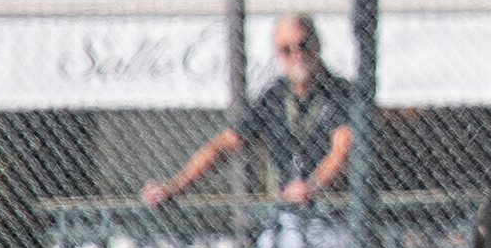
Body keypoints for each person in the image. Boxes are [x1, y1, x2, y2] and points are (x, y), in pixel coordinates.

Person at [145, 14, 353, 210]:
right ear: (277, 54)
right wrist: (175, 185)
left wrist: (312, 185)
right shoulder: (275, 95)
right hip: (289, 210)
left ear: (317, 45)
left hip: (333, 208)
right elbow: (227, 142)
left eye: (303, 45)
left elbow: (343, 149)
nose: (297, 56)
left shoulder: (341, 93)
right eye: (286, 50)